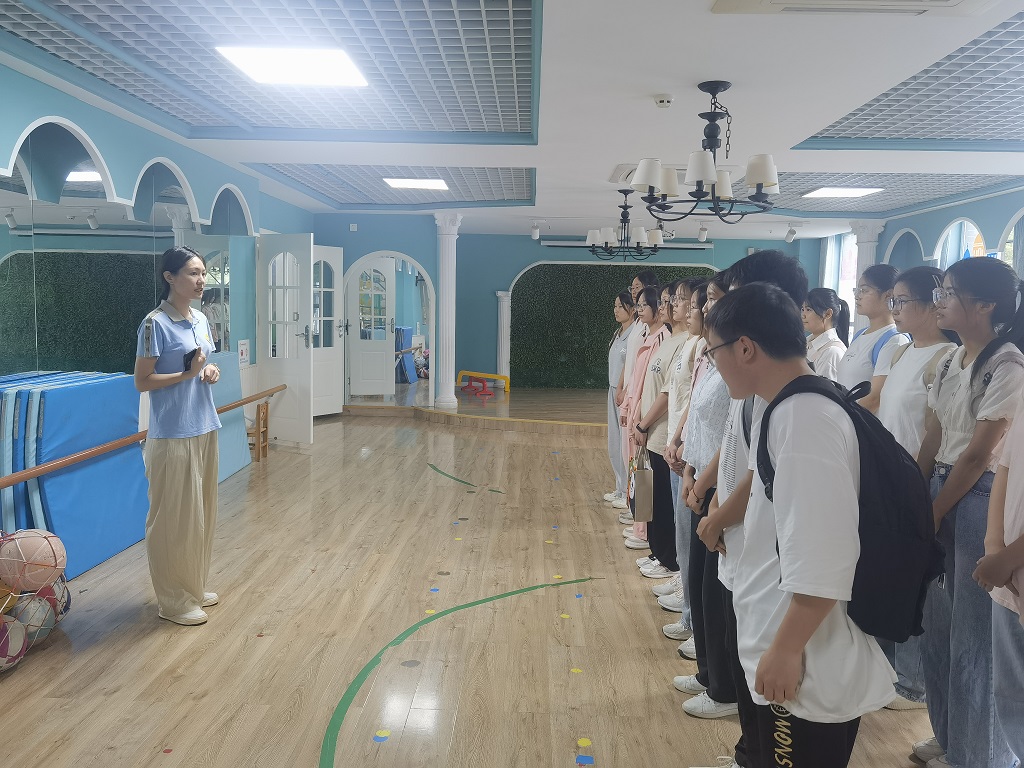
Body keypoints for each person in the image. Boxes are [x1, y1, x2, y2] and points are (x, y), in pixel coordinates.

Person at [706, 282, 896, 768]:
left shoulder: (805, 418)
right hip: (780, 635)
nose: (713, 363)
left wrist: (786, 650)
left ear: (744, 348)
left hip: (804, 659)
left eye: (713, 351)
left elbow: (827, 551)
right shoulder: (785, 407)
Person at [915, 258, 1024, 768]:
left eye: (949, 291)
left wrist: (936, 509)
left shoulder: (1007, 366)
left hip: (977, 496)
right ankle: (950, 734)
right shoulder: (949, 361)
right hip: (942, 484)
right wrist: (918, 497)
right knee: (939, 628)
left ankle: (978, 755)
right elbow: (934, 433)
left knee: (974, 639)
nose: (939, 300)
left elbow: (979, 455)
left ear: (985, 305)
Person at [874, 266, 958, 712]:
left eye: (902, 301)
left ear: (931, 304)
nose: (895, 309)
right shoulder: (902, 350)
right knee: (889, 576)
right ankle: (888, 669)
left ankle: (913, 682)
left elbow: (934, 432)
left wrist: (915, 482)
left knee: (916, 582)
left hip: (915, 481)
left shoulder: (945, 357)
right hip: (889, 479)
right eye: (893, 301)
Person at [135, 245, 223, 627]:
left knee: (200, 516)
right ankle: (172, 601)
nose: (201, 280)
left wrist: (208, 371)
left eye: (203, 272)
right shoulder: (154, 324)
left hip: (205, 425)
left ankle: (192, 586)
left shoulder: (200, 319)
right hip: (172, 434)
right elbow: (143, 381)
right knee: (172, 521)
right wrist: (187, 374)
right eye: (192, 273)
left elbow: (203, 363)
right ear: (170, 277)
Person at [678, 270, 738, 719]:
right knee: (702, 588)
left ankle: (724, 687)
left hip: (719, 486)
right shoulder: (711, 360)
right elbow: (699, 422)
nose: (704, 307)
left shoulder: (737, 370)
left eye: (713, 299)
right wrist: (690, 471)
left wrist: (702, 484)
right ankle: (708, 672)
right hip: (701, 479)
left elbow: (732, 440)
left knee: (719, 596)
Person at [973, 390, 1024, 766]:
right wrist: (994, 545)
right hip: (1009, 579)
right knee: (1011, 694)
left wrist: (1007, 556)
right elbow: (1005, 466)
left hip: (1012, 563)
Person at [629, 282, 689, 578]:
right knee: (650, 497)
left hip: (661, 431)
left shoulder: (683, 342)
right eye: (666, 301)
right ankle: (657, 550)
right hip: (649, 430)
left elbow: (667, 393)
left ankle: (668, 558)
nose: (667, 306)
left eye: (672, 300)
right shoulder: (667, 339)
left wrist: (644, 423)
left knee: (663, 501)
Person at [622, 285, 668, 551]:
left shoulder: (662, 339)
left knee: (645, 474)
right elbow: (635, 379)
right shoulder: (647, 335)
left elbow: (656, 387)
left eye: (644, 305)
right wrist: (629, 407)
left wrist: (640, 418)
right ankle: (639, 523)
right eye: (637, 305)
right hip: (637, 412)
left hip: (646, 417)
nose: (639, 310)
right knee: (638, 470)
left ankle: (644, 530)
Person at [836, 263, 909, 411]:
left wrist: (843, 418)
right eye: (857, 290)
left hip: (862, 421)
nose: (857, 296)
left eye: (864, 290)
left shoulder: (894, 340)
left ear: (888, 295)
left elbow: (875, 398)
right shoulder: (860, 334)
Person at [604, 290, 636, 508]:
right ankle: (619, 487)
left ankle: (627, 492)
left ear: (631, 309)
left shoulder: (635, 333)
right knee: (614, 442)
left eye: (620, 306)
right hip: (613, 389)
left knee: (625, 444)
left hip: (624, 393)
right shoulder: (619, 332)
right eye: (614, 306)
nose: (616, 310)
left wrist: (624, 390)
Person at [802, 288, 849, 381]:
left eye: (808, 310)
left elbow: (822, 388)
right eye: (802, 309)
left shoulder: (832, 351)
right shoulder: (806, 343)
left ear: (828, 314)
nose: (803, 315)